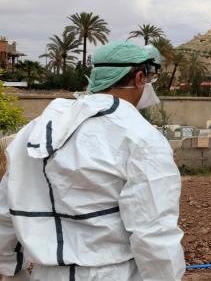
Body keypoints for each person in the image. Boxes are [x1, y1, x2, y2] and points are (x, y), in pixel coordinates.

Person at [0, 42, 185, 280]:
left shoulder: (36, 130)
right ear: (140, 77)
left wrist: (11, 268)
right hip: (112, 273)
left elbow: (5, 209)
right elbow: (154, 232)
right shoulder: (140, 136)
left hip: (47, 274)